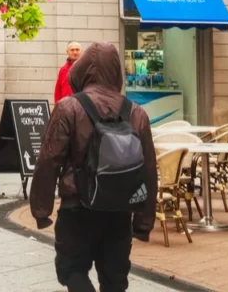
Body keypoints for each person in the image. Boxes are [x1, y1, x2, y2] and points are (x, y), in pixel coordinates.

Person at [30, 42, 157, 292]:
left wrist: (41, 209)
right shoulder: (136, 113)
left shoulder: (69, 107)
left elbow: (49, 159)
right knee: (115, 280)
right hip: (120, 211)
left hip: (77, 208)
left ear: (82, 71)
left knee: (72, 270)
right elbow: (149, 170)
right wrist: (143, 222)